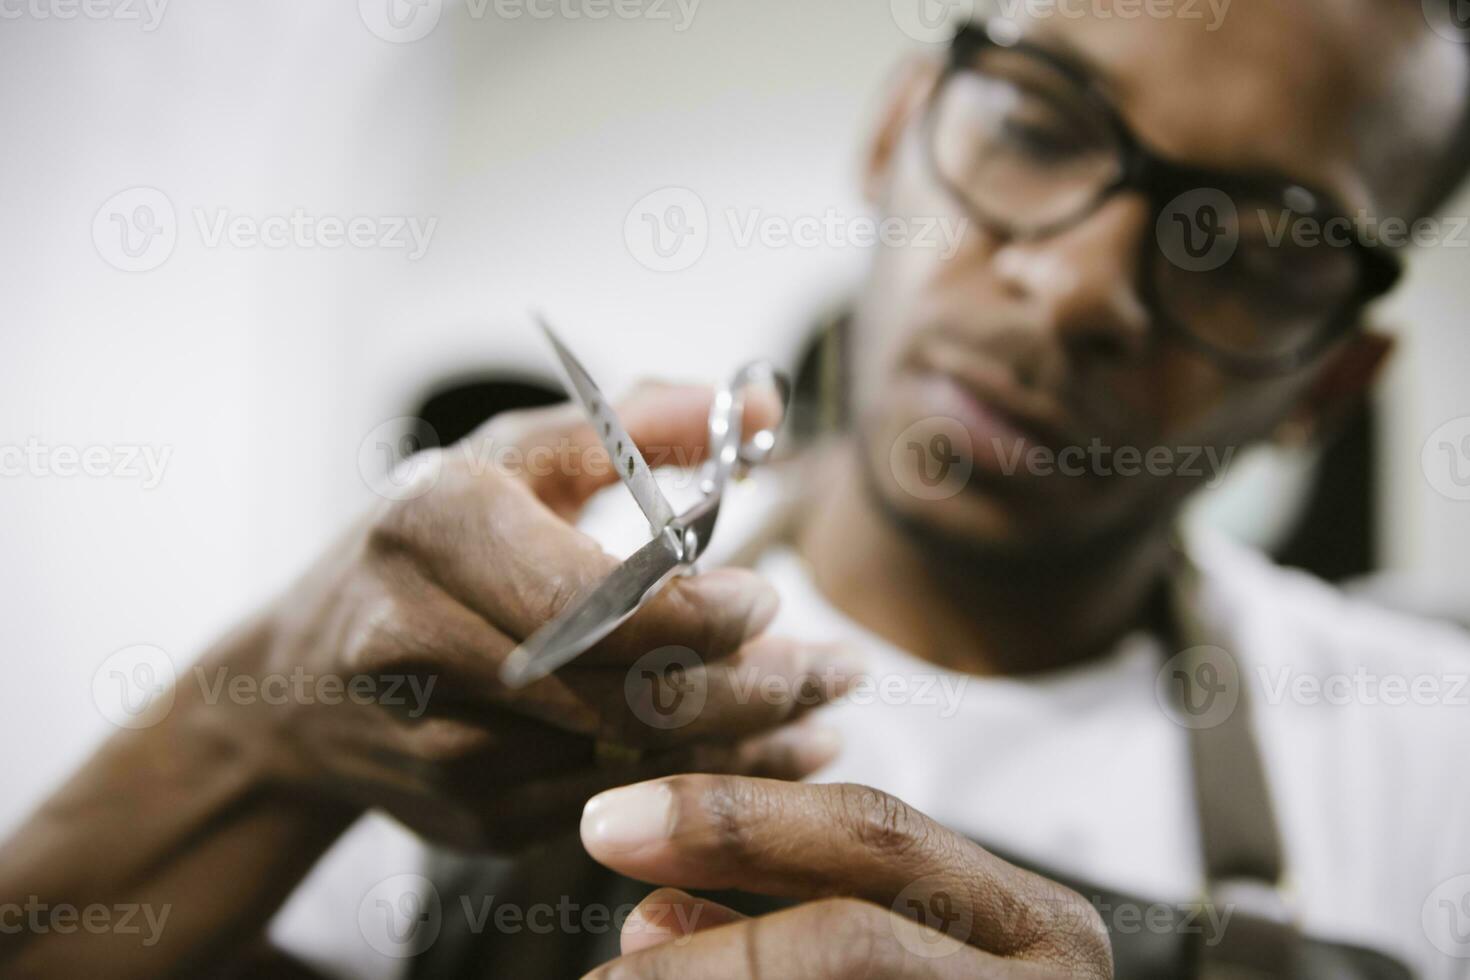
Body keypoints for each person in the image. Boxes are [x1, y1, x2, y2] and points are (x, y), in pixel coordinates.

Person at [4, 1, 1470, 977]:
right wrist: (255, 732)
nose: (1076, 285)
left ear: (1327, 387)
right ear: (895, 134)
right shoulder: (454, 652)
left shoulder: (1434, 764)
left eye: (1249, 246)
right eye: (1036, 126)